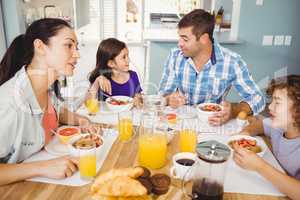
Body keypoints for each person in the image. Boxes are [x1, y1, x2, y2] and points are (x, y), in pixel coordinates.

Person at [0, 18, 97, 185]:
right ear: (40, 47)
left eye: (77, 47)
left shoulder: (47, 87)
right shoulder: (10, 103)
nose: (77, 54)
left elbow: (56, 112)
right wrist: (43, 167)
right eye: (68, 45)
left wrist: (81, 119)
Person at [158, 9, 265, 126]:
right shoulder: (175, 56)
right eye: (179, 38)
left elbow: (257, 98)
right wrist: (169, 99)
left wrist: (233, 111)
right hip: (180, 123)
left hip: (212, 124)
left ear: (204, 38)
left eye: (185, 39)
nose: (180, 44)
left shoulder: (232, 62)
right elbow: (162, 94)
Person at [233, 75, 300, 200]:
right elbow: (260, 125)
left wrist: (260, 166)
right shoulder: (280, 126)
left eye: (278, 103)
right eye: (272, 101)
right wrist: (246, 133)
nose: (270, 107)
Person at [88, 38, 142, 106]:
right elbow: (87, 104)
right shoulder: (101, 80)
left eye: (128, 56)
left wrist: (138, 99)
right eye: (124, 57)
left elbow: (139, 97)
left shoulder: (133, 76)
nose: (128, 60)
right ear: (111, 63)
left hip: (127, 115)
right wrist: (96, 82)